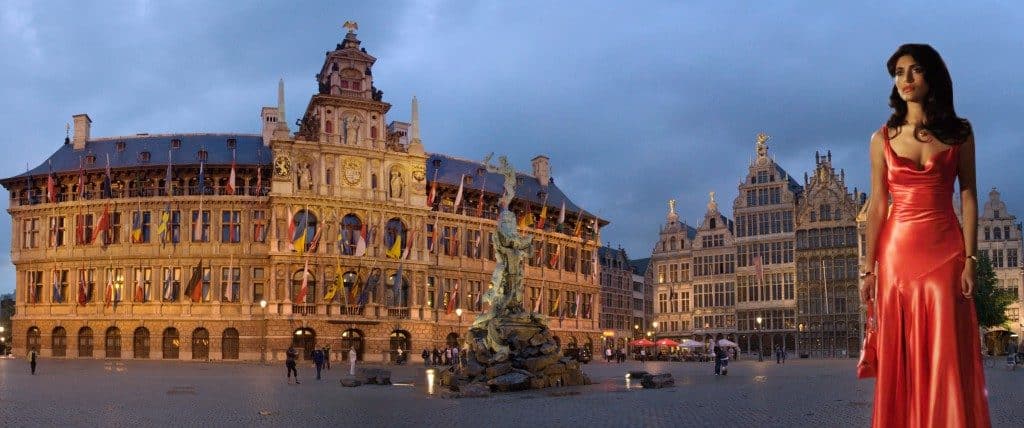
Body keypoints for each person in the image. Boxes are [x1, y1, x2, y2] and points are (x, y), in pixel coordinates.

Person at [860, 44, 990, 427]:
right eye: (899, 73)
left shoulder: (960, 133)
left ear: (932, 77)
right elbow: (878, 206)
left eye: (915, 71)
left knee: (946, 353)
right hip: (897, 256)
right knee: (902, 356)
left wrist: (970, 259)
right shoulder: (880, 138)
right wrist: (869, 270)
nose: (906, 80)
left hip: (946, 252)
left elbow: (968, 194)